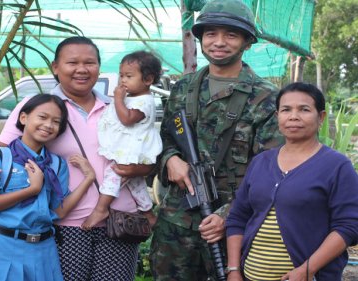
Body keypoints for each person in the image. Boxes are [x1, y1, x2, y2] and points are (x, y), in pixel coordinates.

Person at [0, 36, 153, 281]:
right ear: (55, 67)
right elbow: (0, 151)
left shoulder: (120, 108)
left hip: (119, 222)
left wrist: (143, 168)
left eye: (90, 63)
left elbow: (147, 150)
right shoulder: (40, 108)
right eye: (72, 62)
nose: (82, 69)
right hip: (66, 225)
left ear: (99, 67)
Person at [149, 0, 284, 280]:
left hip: (233, 224)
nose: (219, 42)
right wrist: (170, 159)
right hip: (177, 223)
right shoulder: (184, 88)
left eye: (231, 35)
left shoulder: (267, 98)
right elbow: (164, 138)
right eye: (210, 34)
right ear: (200, 39)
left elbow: (272, 169)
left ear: (247, 42)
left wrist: (228, 215)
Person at [225, 82, 358, 281]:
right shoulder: (261, 162)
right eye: (286, 110)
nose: (293, 116)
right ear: (278, 115)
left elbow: (348, 225)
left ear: (320, 117)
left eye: (304, 109)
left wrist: (307, 270)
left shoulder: (337, 166)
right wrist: (234, 269)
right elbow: (237, 218)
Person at [0, 94, 95, 281]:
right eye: (42, 117)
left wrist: (88, 179)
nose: (48, 125)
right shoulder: (1, 157)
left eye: (56, 121)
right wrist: (30, 190)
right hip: (3, 246)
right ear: (23, 118)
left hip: (44, 249)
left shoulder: (57, 164)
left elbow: (59, 211)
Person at [82, 50, 162, 229]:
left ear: (148, 80)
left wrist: (118, 99)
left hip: (133, 151)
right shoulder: (133, 98)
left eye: (129, 76)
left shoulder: (144, 101)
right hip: (129, 150)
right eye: (121, 75)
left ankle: (101, 208)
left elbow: (127, 119)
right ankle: (148, 213)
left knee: (114, 174)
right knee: (135, 182)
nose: (122, 80)